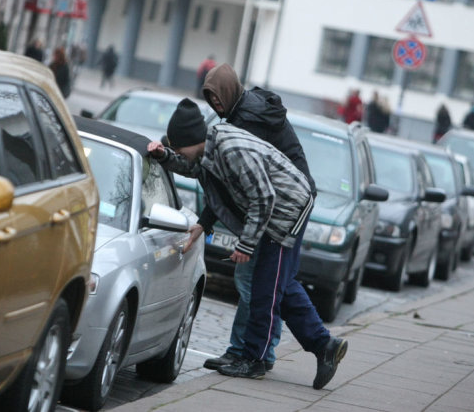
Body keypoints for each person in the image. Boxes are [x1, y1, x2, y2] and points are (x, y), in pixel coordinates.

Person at [148, 98, 347, 388]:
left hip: (286, 211)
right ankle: (324, 345)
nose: (178, 152)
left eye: (178, 147)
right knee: (280, 285)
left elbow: (264, 197)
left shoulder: (231, 148)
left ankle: (254, 360)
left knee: (266, 289)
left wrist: (246, 245)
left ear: (192, 139)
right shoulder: (210, 147)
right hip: (275, 211)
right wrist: (165, 156)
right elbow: (194, 169)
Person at [197, 63, 317, 373]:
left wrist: (234, 235)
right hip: (281, 204)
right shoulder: (236, 112)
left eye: (217, 97)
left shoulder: (247, 121)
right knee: (270, 283)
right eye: (209, 99)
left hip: (286, 207)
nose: (215, 104)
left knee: (259, 282)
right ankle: (313, 343)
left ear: (228, 90)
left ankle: (255, 354)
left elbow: (245, 186)